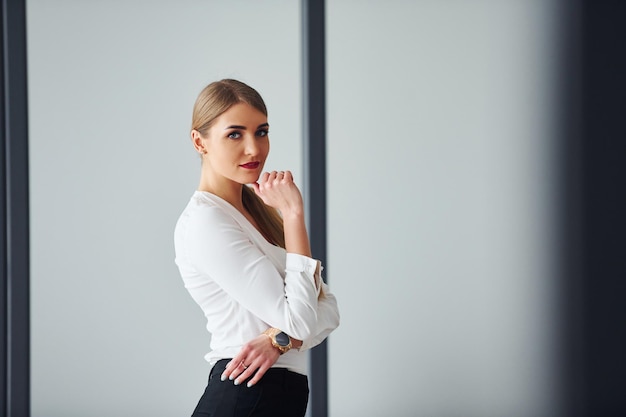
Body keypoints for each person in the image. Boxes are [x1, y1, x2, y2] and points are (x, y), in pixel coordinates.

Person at [174, 79, 340, 417]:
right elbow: (304, 322)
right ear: (199, 141)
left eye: (261, 132)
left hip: (270, 396)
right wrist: (293, 214)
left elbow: (329, 308)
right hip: (247, 395)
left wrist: (276, 340)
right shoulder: (207, 222)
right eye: (235, 134)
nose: (254, 149)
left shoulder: (255, 213)